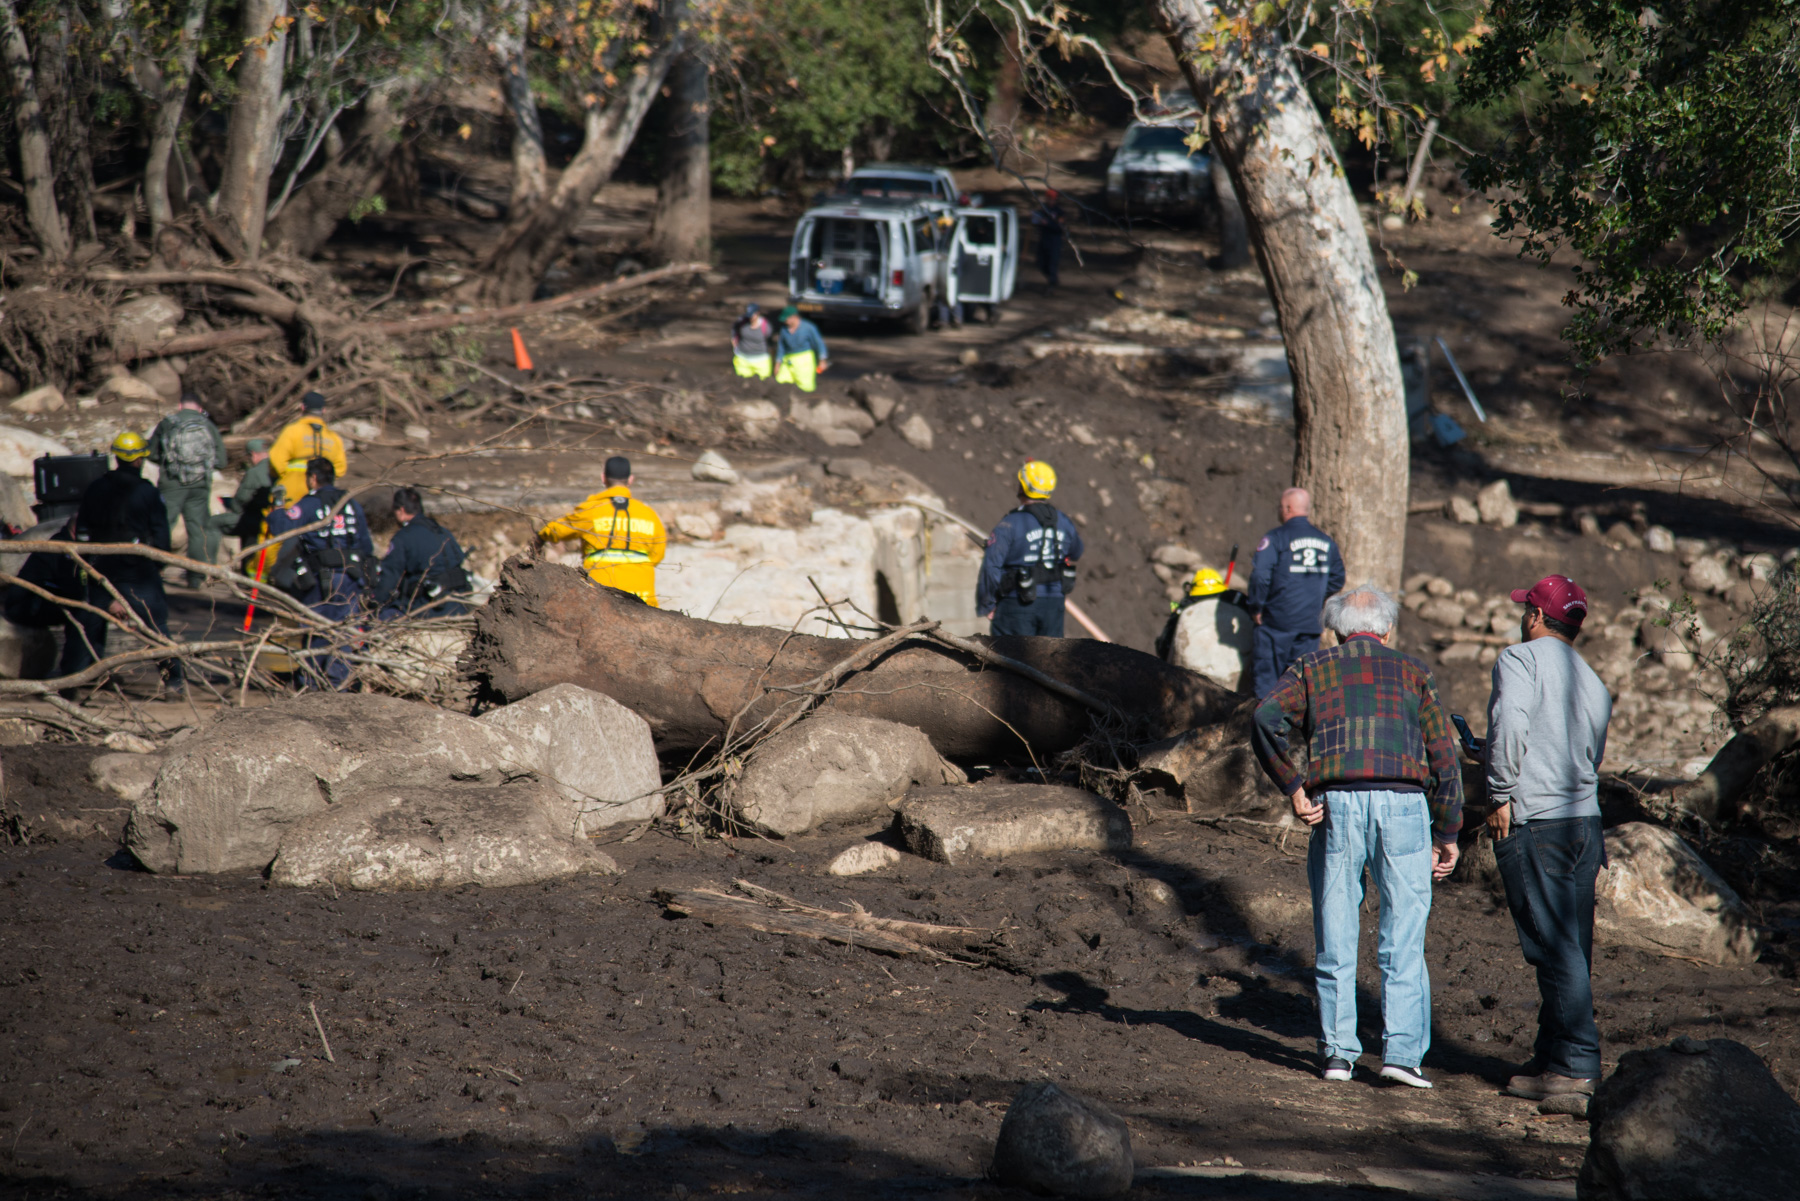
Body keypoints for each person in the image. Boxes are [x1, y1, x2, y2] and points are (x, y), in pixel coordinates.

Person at [1251, 583, 1462, 1088]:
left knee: (1336, 928)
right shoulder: (1415, 672)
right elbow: (1442, 753)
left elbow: (1265, 717)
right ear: (1387, 631)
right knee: (1403, 934)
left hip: (1336, 804)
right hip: (1404, 805)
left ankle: (1338, 1055)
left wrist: (1294, 786)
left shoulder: (1311, 667)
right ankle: (1401, 1055)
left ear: (1335, 632)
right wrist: (1448, 828)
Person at [1486, 575, 1613, 1103]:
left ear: (1536, 617)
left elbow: (1511, 726)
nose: (1523, 617)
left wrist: (1498, 789)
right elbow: (1590, 751)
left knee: (1554, 947)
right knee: (1572, 946)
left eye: (1526, 610)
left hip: (1539, 822)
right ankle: (1553, 1054)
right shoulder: (1593, 679)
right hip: (1586, 822)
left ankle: (1578, 1065)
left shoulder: (1519, 660)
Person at [61, 431, 184, 692]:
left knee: (88, 628)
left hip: (100, 569)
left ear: (117, 457)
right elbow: (162, 535)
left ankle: (71, 683)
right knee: (155, 629)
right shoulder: (148, 493)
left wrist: (86, 564)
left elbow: (81, 531)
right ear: (139, 460)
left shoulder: (95, 488)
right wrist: (156, 565)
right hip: (139, 572)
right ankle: (173, 683)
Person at [266, 457, 372, 689]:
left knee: (315, 628)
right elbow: (366, 544)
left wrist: (277, 507)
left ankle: (310, 684)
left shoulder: (311, 503)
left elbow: (281, 527)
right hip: (351, 576)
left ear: (313, 478)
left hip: (322, 577)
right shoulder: (350, 503)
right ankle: (338, 681)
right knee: (344, 629)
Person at [1246, 486, 1346, 697]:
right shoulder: (1326, 542)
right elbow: (1337, 578)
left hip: (1275, 624)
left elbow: (1260, 576)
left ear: (1288, 508)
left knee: (1266, 688)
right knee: (1300, 688)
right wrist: (1315, 595)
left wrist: (1256, 606)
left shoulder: (1276, 538)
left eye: (1280, 507)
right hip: (1309, 626)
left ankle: (1266, 728)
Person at [537, 456, 667, 605]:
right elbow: (657, 555)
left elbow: (555, 530)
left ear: (603, 478)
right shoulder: (649, 514)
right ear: (630, 480)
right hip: (643, 598)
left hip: (601, 594)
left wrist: (540, 537)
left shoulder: (591, 510)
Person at [976, 460, 1084, 637]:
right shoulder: (1063, 521)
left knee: (1008, 660)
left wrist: (988, 604)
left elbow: (991, 566)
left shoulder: (1010, 524)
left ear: (1023, 486)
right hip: (1053, 604)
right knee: (1050, 659)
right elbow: (1077, 552)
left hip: (1015, 605)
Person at [147, 391, 228, 588]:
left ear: (180, 406)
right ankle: (196, 577)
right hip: (200, 484)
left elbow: (151, 454)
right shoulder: (207, 424)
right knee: (198, 529)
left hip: (172, 483)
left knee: (163, 524)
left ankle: (155, 569)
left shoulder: (168, 422)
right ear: (200, 408)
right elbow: (222, 461)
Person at [370, 487, 470, 620]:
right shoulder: (442, 531)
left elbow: (389, 578)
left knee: (384, 616)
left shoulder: (403, 538)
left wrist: (373, 604)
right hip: (458, 606)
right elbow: (458, 561)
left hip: (426, 609)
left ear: (401, 511)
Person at [268, 390, 347, 509]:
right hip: (322, 492)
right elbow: (340, 469)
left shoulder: (292, 431)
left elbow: (276, 459)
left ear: (302, 407)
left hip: (293, 490)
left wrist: (287, 476)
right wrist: (322, 478)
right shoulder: (333, 437)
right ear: (323, 410)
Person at [211, 436, 275, 550]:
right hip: (275, 517)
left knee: (212, 523)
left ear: (253, 454)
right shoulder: (278, 468)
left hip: (257, 519)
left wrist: (231, 506)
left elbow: (241, 500)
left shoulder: (254, 473)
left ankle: (207, 562)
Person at [773, 305, 829, 392]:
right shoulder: (784, 330)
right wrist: (777, 364)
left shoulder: (808, 328)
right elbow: (781, 347)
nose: (785, 322)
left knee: (805, 386)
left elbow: (819, 343)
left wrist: (822, 360)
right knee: (781, 383)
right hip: (788, 360)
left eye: (786, 319)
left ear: (794, 317)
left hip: (804, 360)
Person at [1030, 189, 1066, 289]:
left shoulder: (1059, 212)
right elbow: (1037, 222)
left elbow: (1060, 226)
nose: (1050, 200)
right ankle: (1052, 279)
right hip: (1044, 239)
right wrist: (1035, 219)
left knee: (1052, 264)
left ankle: (1052, 284)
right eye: (1048, 198)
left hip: (1055, 241)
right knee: (1040, 262)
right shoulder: (1043, 210)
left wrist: (1048, 223)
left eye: (1052, 198)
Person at [731, 304, 775, 379]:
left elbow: (769, 339)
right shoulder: (742, 323)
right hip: (743, 358)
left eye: (752, 315)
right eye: (748, 315)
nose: (750, 318)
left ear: (757, 313)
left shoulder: (765, 326)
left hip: (761, 360)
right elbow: (734, 331)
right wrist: (734, 343)